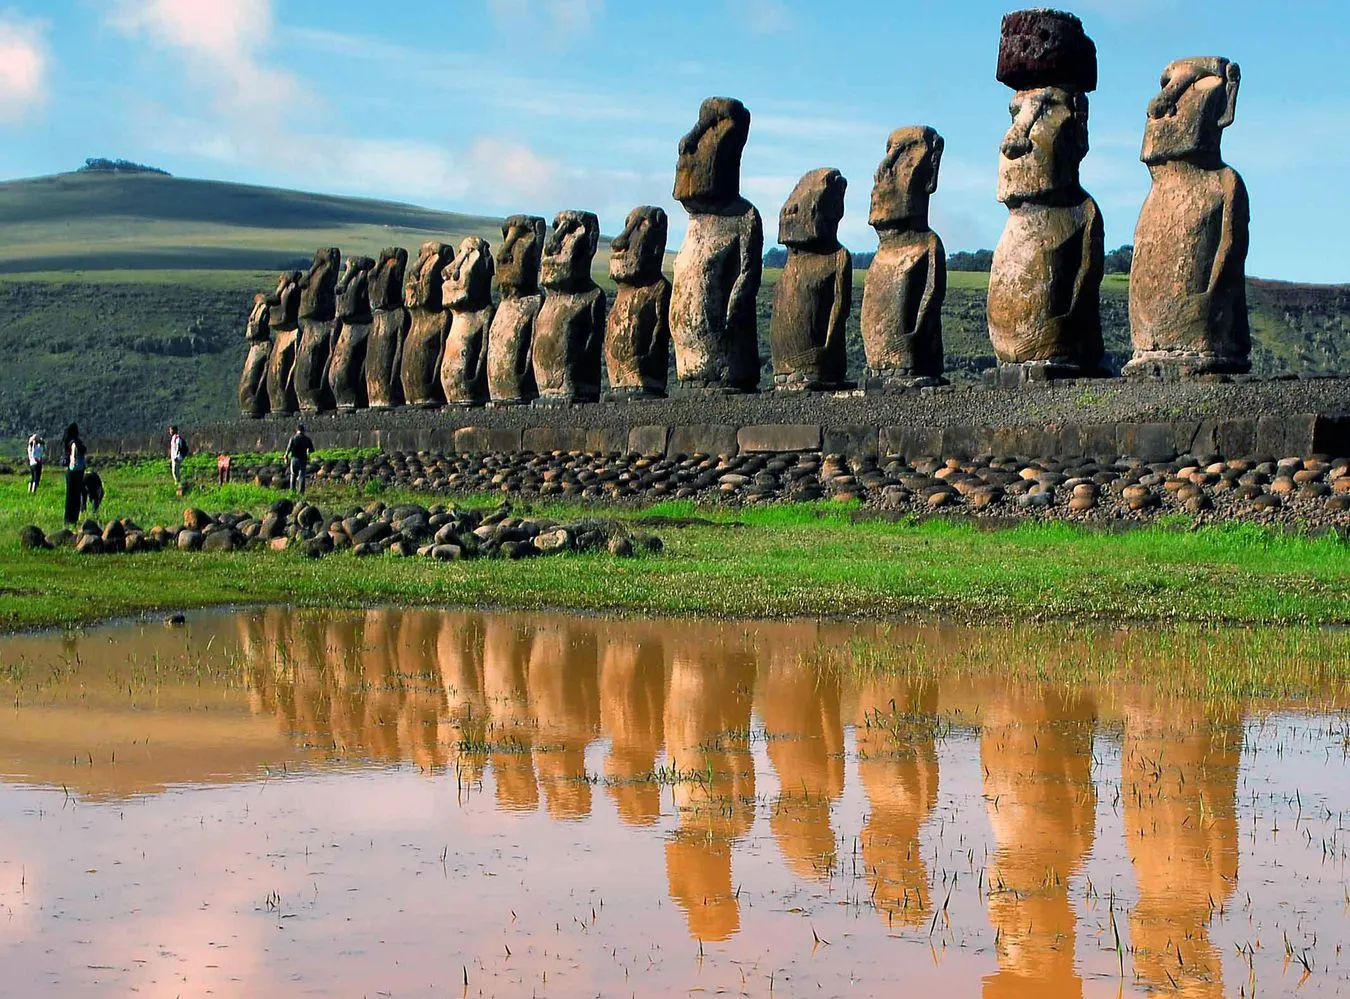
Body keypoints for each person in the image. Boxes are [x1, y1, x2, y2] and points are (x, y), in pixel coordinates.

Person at [61, 424, 86, 526]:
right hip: (76, 471)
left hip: (73, 471)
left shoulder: (69, 442)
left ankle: (70, 519)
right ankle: (71, 518)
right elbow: (74, 458)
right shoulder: (75, 443)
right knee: (74, 496)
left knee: (71, 496)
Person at [283, 422, 314, 495]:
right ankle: (301, 493)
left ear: (296, 430)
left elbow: (289, 448)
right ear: (304, 430)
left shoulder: (293, 438)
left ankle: (292, 491)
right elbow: (311, 450)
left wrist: (286, 456)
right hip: (303, 459)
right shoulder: (307, 439)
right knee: (301, 476)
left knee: (293, 475)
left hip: (294, 458)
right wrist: (307, 451)